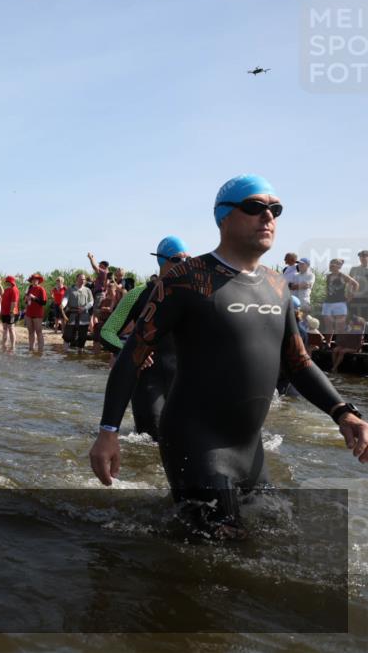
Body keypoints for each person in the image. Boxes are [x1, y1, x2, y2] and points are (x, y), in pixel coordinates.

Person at [90, 174, 368, 538]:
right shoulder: (186, 280)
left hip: (250, 449)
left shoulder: (276, 285)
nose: (267, 217)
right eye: (254, 207)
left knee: (276, 539)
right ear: (223, 217)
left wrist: (343, 412)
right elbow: (132, 355)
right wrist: (108, 432)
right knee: (219, 561)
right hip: (196, 442)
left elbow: (298, 363)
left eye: (275, 209)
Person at [99, 236, 188, 440]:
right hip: (147, 379)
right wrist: (129, 352)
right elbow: (107, 331)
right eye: (177, 259)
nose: (184, 265)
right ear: (162, 261)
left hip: (182, 380)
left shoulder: (192, 295)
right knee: (151, 440)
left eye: (188, 260)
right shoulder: (138, 294)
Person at [321, 258, 360, 336]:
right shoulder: (328, 276)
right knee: (328, 327)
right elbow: (327, 289)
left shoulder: (342, 275)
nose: (330, 266)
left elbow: (355, 284)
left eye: (333, 265)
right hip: (328, 303)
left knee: (340, 328)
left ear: (338, 266)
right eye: (330, 264)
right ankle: (328, 345)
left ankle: (340, 345)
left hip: (340, 303)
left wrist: (351, 295)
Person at [62, 273, 94, 351]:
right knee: (67, 336)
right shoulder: (70, 289)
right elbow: (66, 298)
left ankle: (80, 353)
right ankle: (65, 353)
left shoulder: (88, 290)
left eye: (83, 279)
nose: (82, 281)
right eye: (80, 279)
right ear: (76, 279)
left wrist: (84, 308)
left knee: (82, 338)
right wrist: (62, 304)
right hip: (72, 316)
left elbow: (91, 302)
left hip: (84, 317)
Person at [24, 274, 47, 352]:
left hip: (37, 313)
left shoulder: (41, 289)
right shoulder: (29, 288)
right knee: (30, 331)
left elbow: (44, 302)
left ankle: (40, 350)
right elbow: (26, 301)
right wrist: (26, 299)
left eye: (36, 279)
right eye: (33, 279)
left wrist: (34, 298)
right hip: (29, 312)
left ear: (38, 280)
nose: (34, 281)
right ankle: (31, 348)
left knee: (38, 331)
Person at [0, 275, 19, 352]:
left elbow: (14, 302)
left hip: (11, 312)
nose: (6, 283)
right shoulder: (7, 289)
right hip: (4, 312)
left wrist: (11, 311)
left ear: (11, 282)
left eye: (8, 282)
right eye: (6, 282)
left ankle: (12, 346)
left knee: (11, 328)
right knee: (5, 329)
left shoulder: (14, 290)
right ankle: (4, 345)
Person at [350, 249, 368, 320]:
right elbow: (349, 283)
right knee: (355, 319)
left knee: (366, 319)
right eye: (361, 256)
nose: (363, 258)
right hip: (355, 298)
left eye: (365, 256)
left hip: (366, 298)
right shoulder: (354, 269)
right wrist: (349, 294)